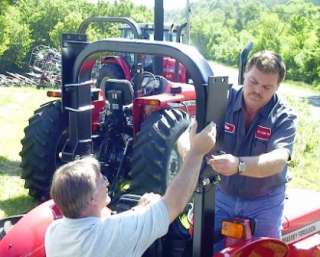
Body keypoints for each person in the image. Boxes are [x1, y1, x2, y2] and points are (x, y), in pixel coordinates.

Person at [45, 121, 216, 257]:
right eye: (100, 180)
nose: (106, 182)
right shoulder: (111, 235)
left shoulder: (54, 232)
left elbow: (105, 223)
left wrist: (138, 210)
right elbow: (174, 204)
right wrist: (196, 153)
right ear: (91, 199)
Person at [206, 51, 297, 247]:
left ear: (277, 87)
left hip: (264, 203)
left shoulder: (284, 117)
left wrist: (239, 165)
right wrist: (188, 149)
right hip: (223, 195)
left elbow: (278, 160)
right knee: (205, 247)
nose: (257, 90)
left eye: (266, 87)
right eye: (253, 82)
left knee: (264, 251)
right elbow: (192, 130)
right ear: (245, 74)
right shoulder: (223, 101)